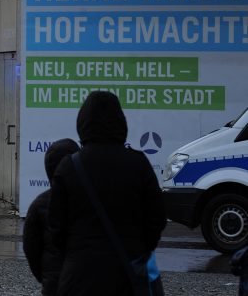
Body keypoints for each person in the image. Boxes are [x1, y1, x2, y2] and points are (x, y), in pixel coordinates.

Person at [48, 91, 166, 295]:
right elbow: (156, 217)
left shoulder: (69, 166)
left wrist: (73, 252)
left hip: (79, 275)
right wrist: (139, 248)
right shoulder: (138, 164)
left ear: (82, 123)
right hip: (127, 273)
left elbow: (56, 227)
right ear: (121, 122)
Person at [23, 138, 80, 295]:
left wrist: (45, 276)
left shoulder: (39, 205)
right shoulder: (90, 200)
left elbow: (31, 248)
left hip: (54, 284)